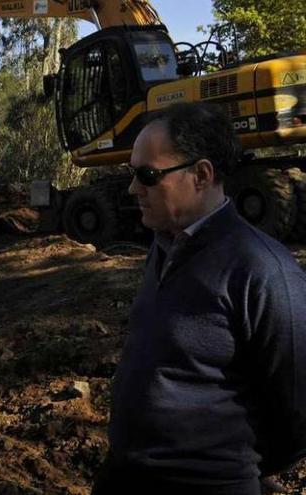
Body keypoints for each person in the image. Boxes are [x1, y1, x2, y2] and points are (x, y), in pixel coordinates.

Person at [92, 102, 306, 495]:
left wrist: (227, 468)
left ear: (201, 175)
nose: (132, 188)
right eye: (131, 173)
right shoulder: (164, 246)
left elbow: (297, 409)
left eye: (147, 175)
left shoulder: (262, 272)